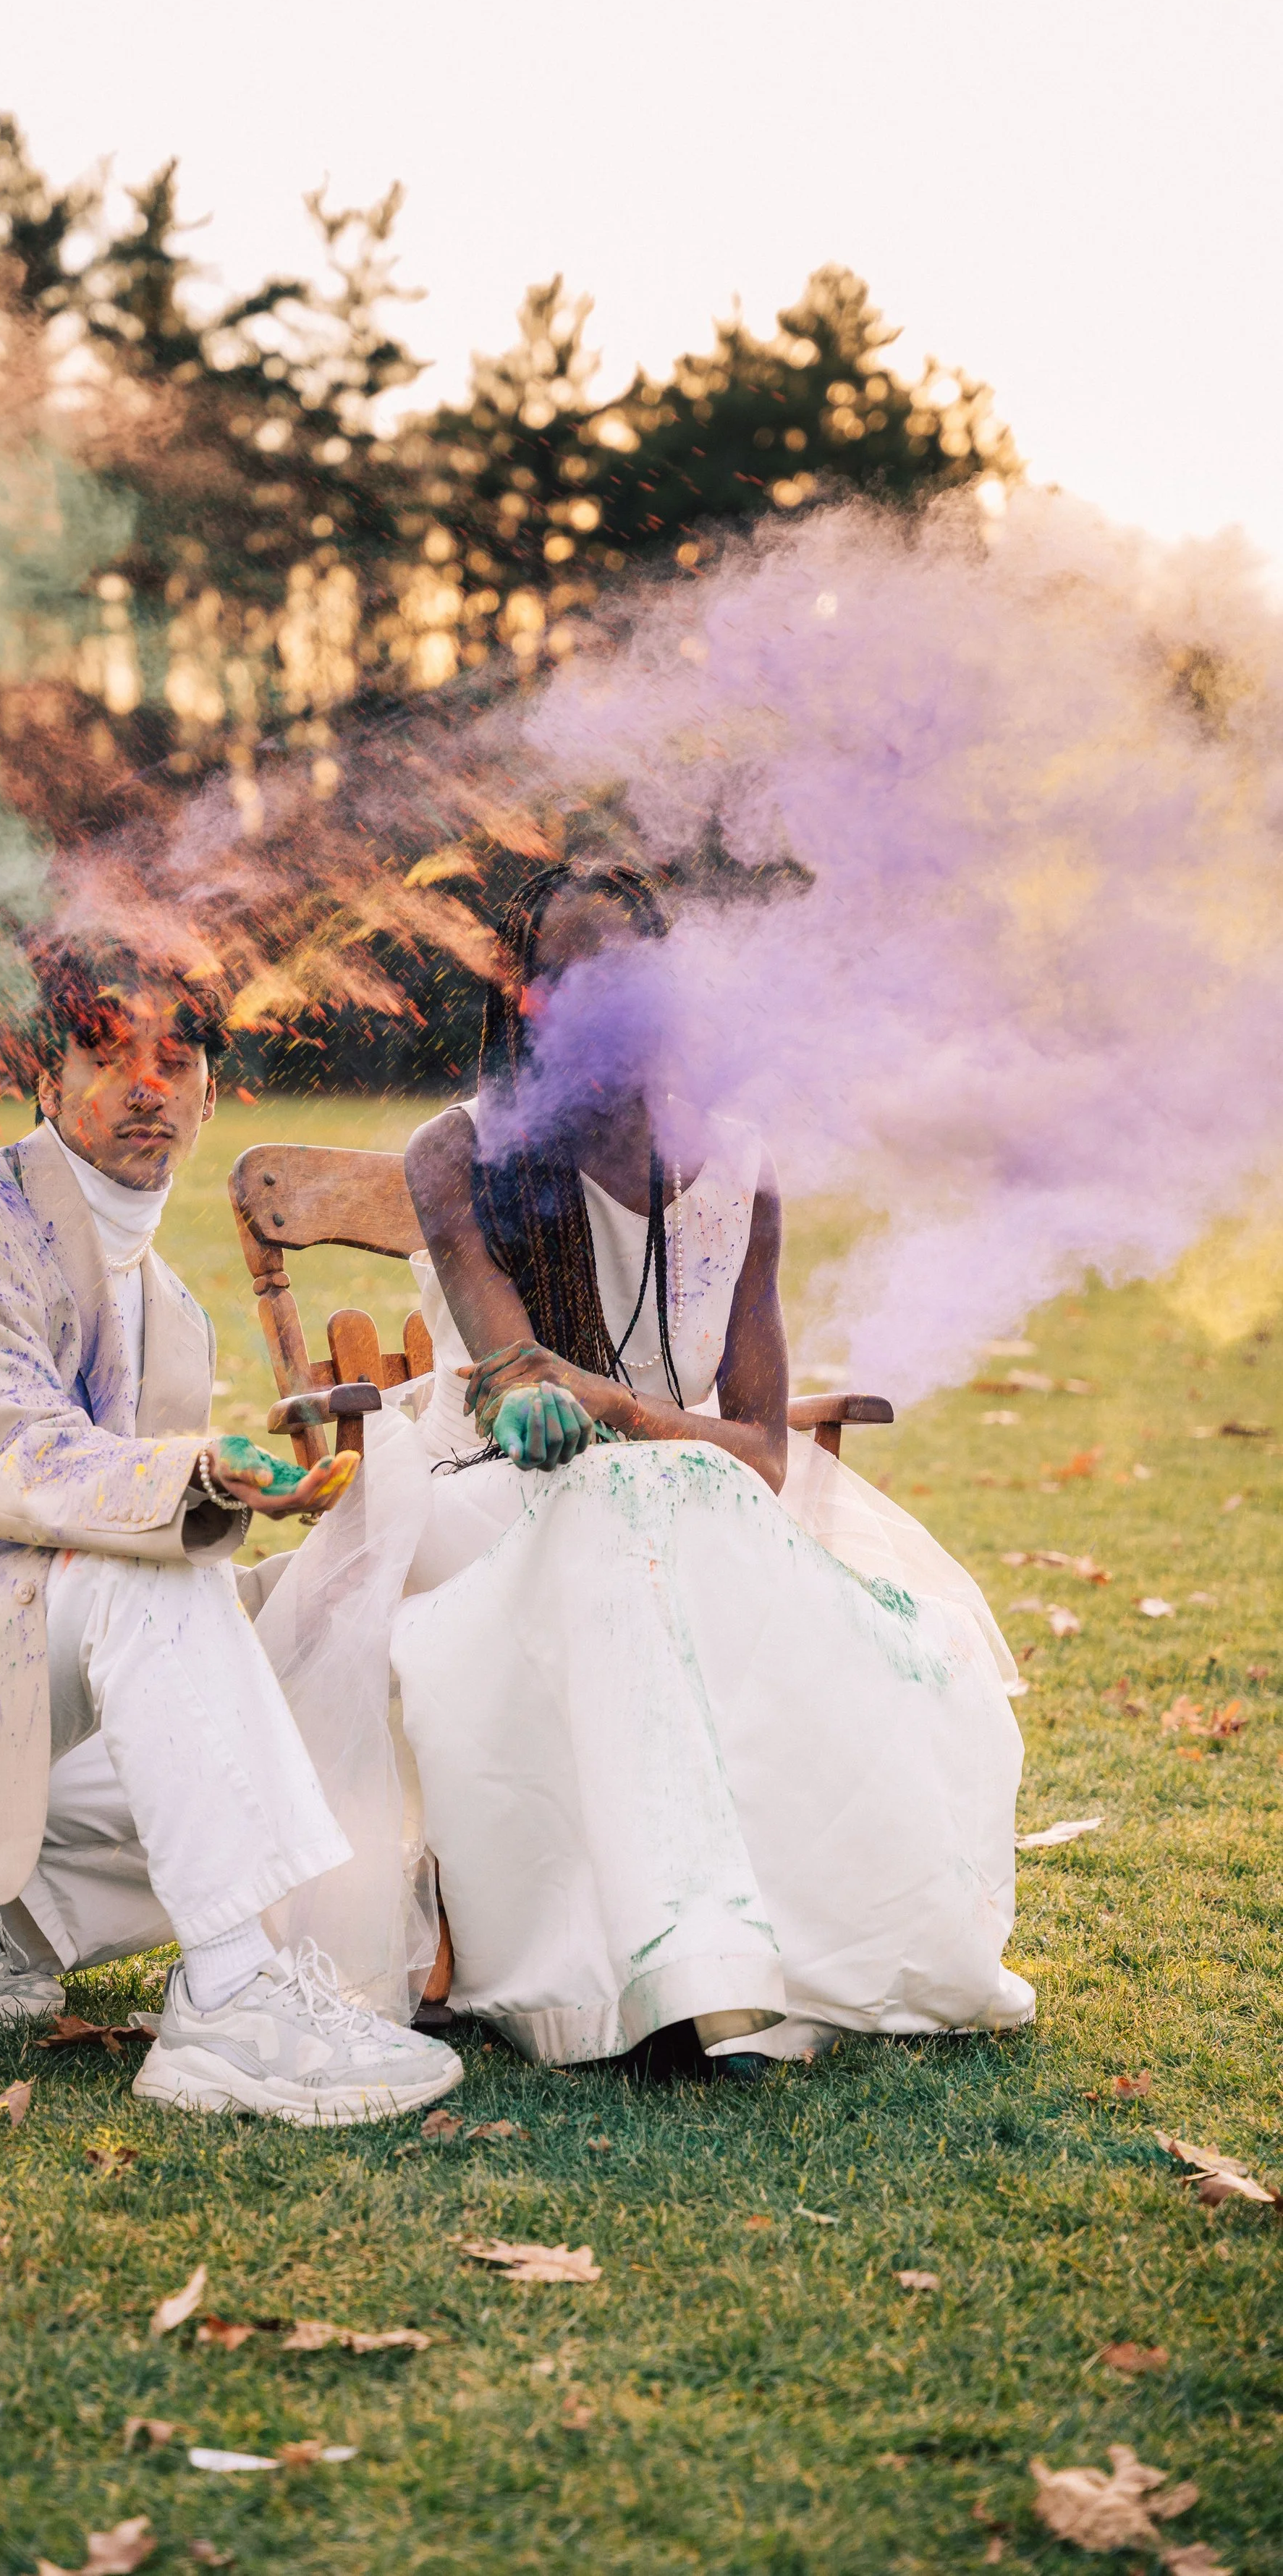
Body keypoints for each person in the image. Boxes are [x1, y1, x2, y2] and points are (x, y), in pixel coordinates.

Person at [263, 862, 1032, 2069]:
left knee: (743, 1563)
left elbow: (767, 1452)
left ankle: (736, 1952)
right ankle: (660, 1974)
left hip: (688, 1493)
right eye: (574, 976)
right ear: (526, 998)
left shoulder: (741, 1167)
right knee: (617, 1516)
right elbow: (516, 1380)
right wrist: (552, 1401)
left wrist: (619, 1407)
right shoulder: (457, 1152)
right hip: (487, 1499)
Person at [0, 939, 462, 2126]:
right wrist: (200, 1470)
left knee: (319, 1619)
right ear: (43, 1074)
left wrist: (325, 1558)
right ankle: (229, 2004)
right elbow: (7, 1465)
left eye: (177, 1058)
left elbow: (143, 1578)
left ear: (212, 1092)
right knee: (156, 1569)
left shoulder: (173, 1314)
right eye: (108, 1050)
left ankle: (247, 1964)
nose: (146, 1084)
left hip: (9, 1794)